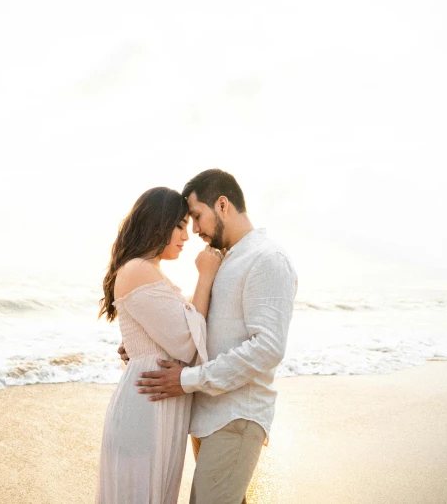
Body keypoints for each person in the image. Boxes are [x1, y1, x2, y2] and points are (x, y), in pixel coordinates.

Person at [131, 169, 298, 503]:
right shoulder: (224, 259)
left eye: (197, 217)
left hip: (237, 416)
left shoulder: (267, 259)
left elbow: (268, 348)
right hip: (208, 413)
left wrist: (189, 379)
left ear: (222, 205)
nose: (194, 230)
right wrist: (146, 348)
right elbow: (199, 328)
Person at [96, 186, 224, 504]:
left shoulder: (150, 271)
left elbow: (176, 330)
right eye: (180, 225)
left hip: (157, 406)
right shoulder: (139, 269)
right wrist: (206, 277)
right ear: (157, 222)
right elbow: (186, 341)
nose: (186, 235)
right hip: (145, 410)